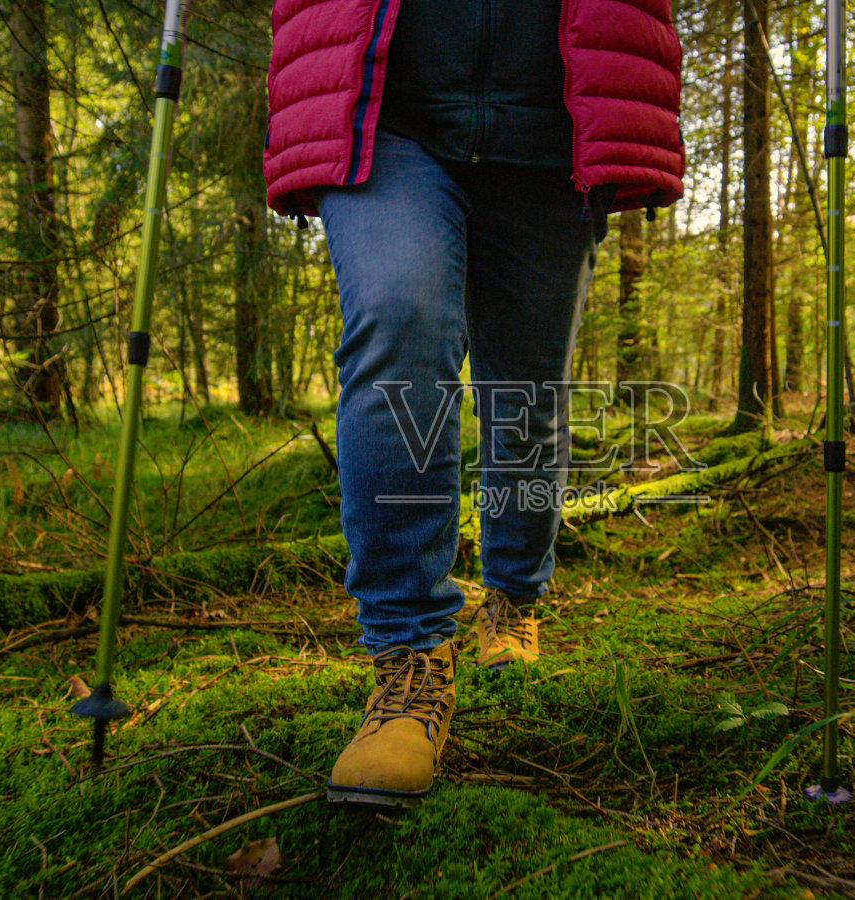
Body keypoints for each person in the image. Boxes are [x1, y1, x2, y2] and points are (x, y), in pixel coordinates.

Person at [263, 0, 685, 807]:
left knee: (526, 393)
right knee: (399, 320)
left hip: (554, 122)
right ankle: (408, 657)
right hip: (383, 111)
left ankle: (515, 595)